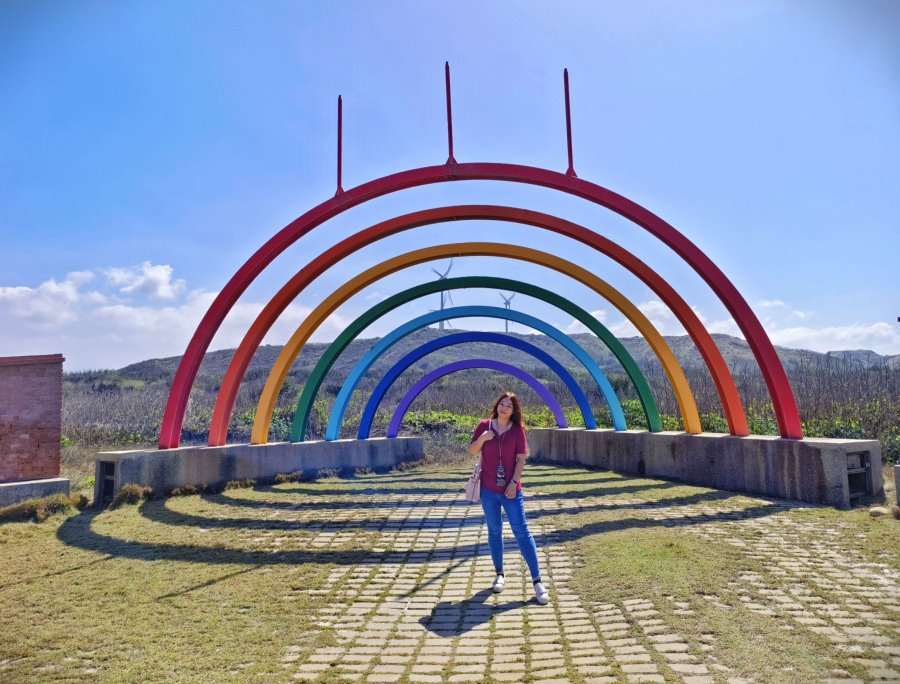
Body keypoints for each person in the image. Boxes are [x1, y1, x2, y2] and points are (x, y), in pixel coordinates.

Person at [468, 391, 549, 605]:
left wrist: (513, 483)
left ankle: (537, 580)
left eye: (509, 406)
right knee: (494, 530)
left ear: (514, 411)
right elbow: (472, 450)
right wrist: (483, 438)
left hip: (511, 490)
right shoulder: (484, 425)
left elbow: (521, 460)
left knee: (521, 531)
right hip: (488, 490)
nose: (504, 407)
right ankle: (499, 574)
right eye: (501, 403)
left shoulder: (517, 431)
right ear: (497, 406)